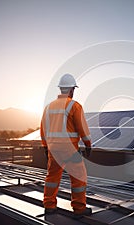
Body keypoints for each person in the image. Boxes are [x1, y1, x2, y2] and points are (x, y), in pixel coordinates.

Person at [40, 73, 92, 216]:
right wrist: (88, 144)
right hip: (70, 150)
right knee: (78, 176)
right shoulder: (74, 106)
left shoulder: (48, 108)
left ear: (61, 89)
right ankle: (79, 208)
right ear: (72, 90)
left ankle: (49, 205)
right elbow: (82, 128)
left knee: (52, 177)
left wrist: (45, 146)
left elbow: (43, 129)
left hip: (53, 150)